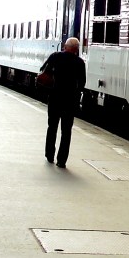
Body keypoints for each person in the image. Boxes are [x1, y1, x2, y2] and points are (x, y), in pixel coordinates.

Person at [39, 37, 86, 168]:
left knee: (52, 127)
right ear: (76, 49)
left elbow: (44, 72)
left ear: (65, 46)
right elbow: (82, 84)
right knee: (66, 131)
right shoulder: (80, 62)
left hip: (55, 97)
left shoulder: (55, 56)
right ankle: (62, 160)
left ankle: (49, 155)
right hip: (70, 101)